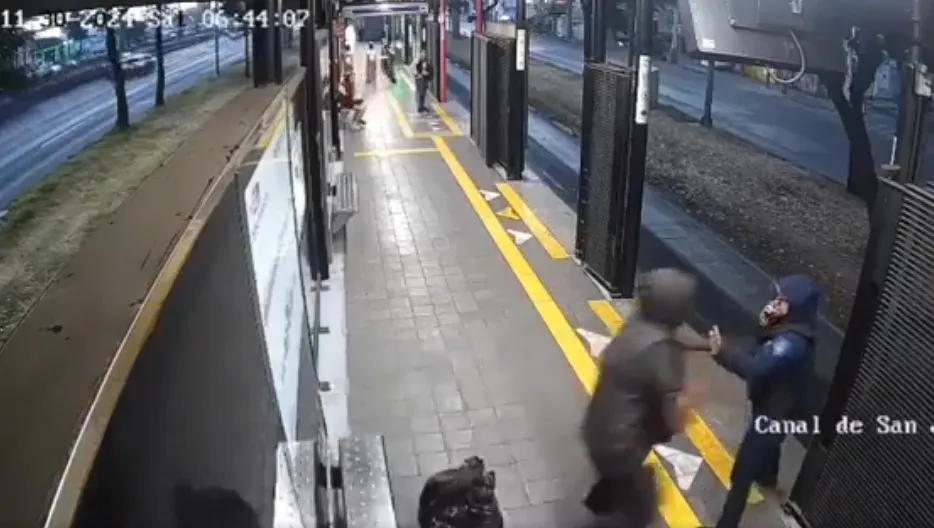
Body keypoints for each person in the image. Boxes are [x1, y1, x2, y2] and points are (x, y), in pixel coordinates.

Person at [581, 268, 710, 527]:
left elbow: (674, 333)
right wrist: (692, 400)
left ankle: (602, 501)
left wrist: (707, 345)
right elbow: (672, 418)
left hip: (597, 429)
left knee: (619, 480)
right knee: (641, 507)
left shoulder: (638, 324)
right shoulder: (661, 354)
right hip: (623, 446)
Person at [701, 274, 820, 528]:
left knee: (742, 473)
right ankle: (768, 478)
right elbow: (760, 346)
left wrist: (722, 351)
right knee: (772, 445)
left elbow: (756, 367)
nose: (775, 303)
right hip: (775, 404)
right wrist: (767, 325)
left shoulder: (790, 344)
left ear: (796, 308)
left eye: (783, 301)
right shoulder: (791, 329)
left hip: (773, 412)